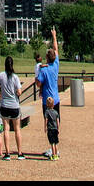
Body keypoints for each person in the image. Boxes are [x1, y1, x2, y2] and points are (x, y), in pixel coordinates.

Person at [36, 27, 61, 158]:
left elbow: (38, 83)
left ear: (47, 58)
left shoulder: (44, 70)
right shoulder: (55, 65)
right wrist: (54, 36)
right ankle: (56, 148)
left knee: (49, 124)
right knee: (56, 124)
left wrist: (38, 72)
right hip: (56, 99)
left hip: (47, 100)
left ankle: (52, 149)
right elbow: (56, 49)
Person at [0, 55, 23, 160]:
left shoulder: (0, 76)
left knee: (6, 129)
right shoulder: (15, 77)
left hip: (5, 105)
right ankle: (19, 153)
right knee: (17, 129)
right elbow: (19, 92)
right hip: (14, 105)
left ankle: (7, 153)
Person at [45, 95, 60, 160]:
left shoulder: (47, 112)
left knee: (52, 143)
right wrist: (58, 128)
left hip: (50, 129)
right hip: (55, 128)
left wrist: (45, 127)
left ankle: (53, 155)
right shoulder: (56, 112)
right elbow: (57, 121)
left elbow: (46, 120)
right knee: (56, 143)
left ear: (47, 105)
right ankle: (56, 155)